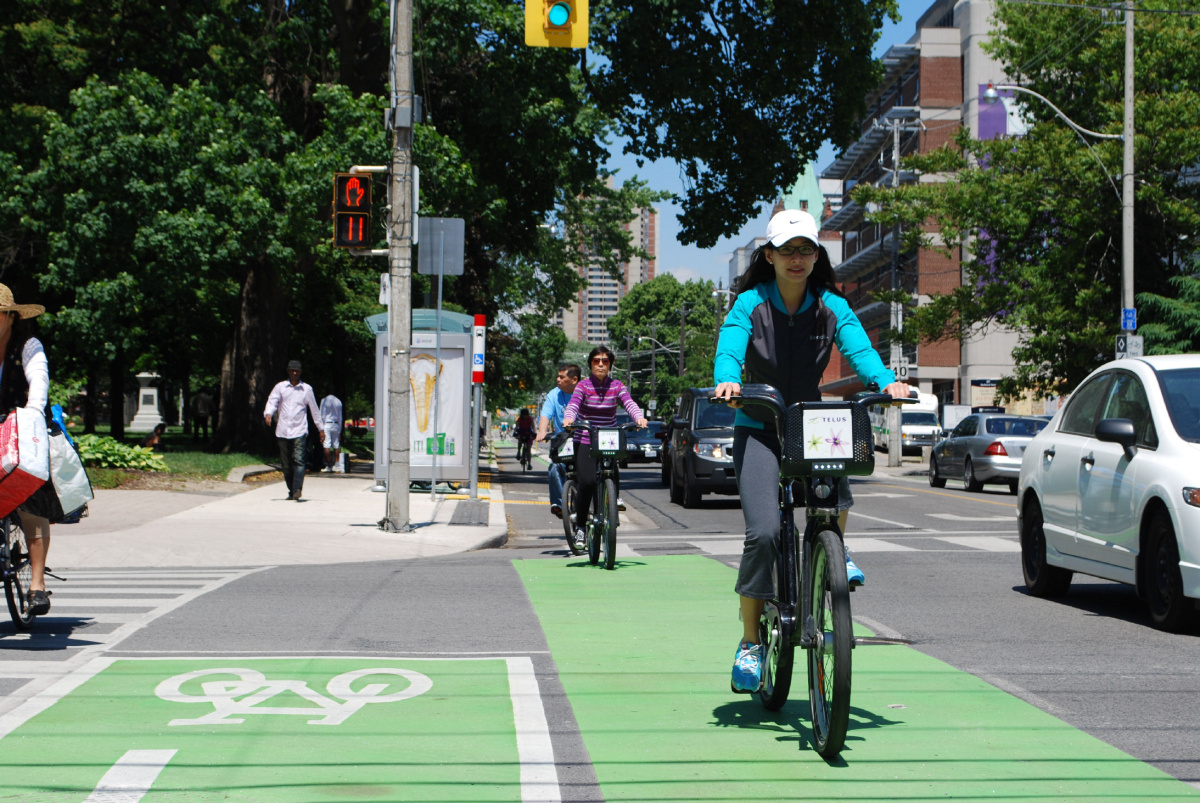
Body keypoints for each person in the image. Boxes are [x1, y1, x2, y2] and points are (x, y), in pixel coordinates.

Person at [713, 209, 911, 693]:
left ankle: (834, 551)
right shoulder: (749, 304)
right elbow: (730, 347)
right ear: (769, 256)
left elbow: (860, 352)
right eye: (787, 250)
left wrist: (886, 382)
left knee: (835, 490)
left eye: (805, 249)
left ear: (816, 255)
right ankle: (750, 642)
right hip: (758, 423)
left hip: (808, 422)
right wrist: (728, 380)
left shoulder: (831, 307)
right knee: (763, 534)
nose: (796, 258)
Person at [0, 285, 54, 615]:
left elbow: (39, 381)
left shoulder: (28, 346)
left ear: (10, 317)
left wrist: (32, 411)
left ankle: (37, 585)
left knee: (29, 499)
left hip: (21, 427)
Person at [562, 345, 647, 542]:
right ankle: (581, 526)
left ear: (610, 364)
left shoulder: (617, 386)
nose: (600, 364)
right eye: (596, 361)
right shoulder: (583, 386)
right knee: (588, 482)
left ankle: (611, 501)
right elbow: (573, 404)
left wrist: (639, 418)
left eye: (605, 361)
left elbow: (629, 403)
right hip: (585, 438)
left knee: (610, 473)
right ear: (591, 364)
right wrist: (569, 418)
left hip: (608, 439)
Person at [263, 360, 325, 501]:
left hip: (299, 430)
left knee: (299, 460)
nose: (295, 373)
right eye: (292, 370)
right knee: (286, 464)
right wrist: (268, 413)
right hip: (283, 430)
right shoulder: (280, 387)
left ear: (300, 372)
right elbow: (272, 401)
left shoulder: (306, 389)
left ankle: (297, 489)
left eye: (297, 371)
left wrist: (321, 429)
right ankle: (291, 490)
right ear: (288, 371)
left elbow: (314, 410)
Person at [536, 363, 581, 518]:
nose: (558, 379)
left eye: (562, 377)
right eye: (558, 376)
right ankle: (558, 503)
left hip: (584, 439)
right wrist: (542, 431)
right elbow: (545, 415)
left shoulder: (585, 392)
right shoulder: (554, 394)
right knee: (555, 467)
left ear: (574, 379)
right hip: (563, 441)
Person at [319, 393, 344, 473]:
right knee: (336, 445)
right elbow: (340, 417)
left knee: (326, 445)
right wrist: (339, 430)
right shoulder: (338, 401)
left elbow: (322, 415)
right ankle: (337, 465)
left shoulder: (324, 400)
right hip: (336, 424)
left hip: (327, 424)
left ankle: (329, 464)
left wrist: (321, 429)